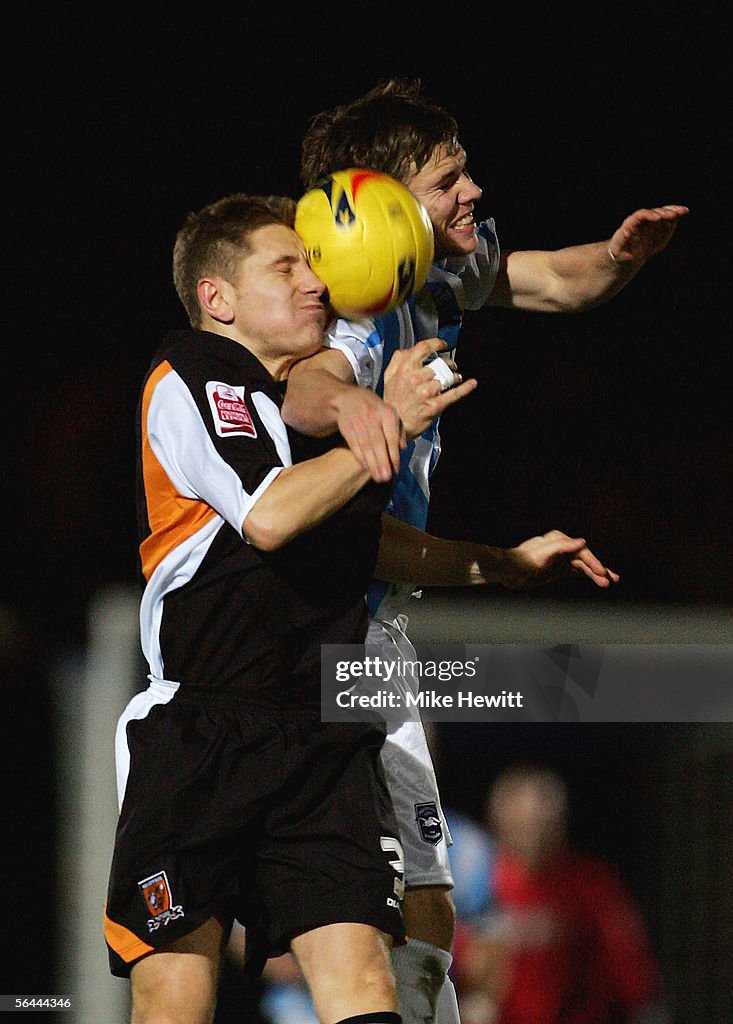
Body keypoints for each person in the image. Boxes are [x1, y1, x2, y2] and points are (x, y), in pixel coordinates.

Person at [280, 77, 687, 1024]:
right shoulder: (348, 307)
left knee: (429, 894)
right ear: (381, 203)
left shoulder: (436, 275)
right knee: (283, 926)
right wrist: (352, 405)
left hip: (373, 626)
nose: (472, 193)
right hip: (306, 638)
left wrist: (619, 256)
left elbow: (559, 278)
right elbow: (307, 380)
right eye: (446, 179)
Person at [103, 191, 459, 1024]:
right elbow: (267, 517)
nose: (316, 283)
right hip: (202, 735)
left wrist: (504, 567)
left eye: (314, 264)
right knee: (176, 1000)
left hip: (317, 738)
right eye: (286, 266)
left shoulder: (316, 414)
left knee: (366, 988)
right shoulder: (192, 374)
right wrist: (392, 422)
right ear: (217, 298)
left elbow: (365, 547)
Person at [450, 765, 671, 1024]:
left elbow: (631, 971)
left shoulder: (590, 885)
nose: (534, 836)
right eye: (521, 825)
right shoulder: (477, 884)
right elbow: (456, 967)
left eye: (542, 824)